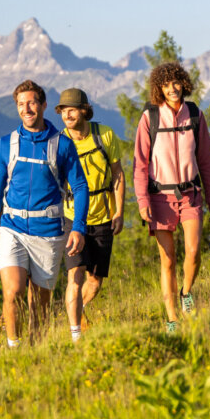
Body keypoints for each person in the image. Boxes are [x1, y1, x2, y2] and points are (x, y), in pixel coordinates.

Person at [0, 80, 88, 347]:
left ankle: (35, 352)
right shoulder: (6, 144)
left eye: (31, 103)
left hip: (49, 232)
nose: (26, 109)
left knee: (39, 303)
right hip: (12, 228)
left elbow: (80, 186)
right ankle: (14, 351)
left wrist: (78, 227)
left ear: (43, 105)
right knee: (13, 291)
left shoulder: (61, 145)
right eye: (20, 104)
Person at [133, 62, 210, 333]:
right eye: (166, 84)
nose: (172, 88)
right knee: (168, 259)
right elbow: (140, 164)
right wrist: (142, 201)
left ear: (184, 84)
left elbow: (206, 160)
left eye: (176, 83)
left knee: (193, 252)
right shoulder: (150, 117)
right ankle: (171, 319)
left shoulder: (195, 115)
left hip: (191, 194)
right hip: (159, 197)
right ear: (159, 87)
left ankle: (186, 292)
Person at [54, 88, 124, 335]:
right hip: (71, 218)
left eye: (72, 109)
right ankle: (75, 333)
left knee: (94, 283)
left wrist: (119, 212)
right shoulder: (59, 141)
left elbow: (117, 174)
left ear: (84, 110)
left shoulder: (104, 135)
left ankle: (76, 311)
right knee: (75, 276)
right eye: (63, 110)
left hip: (103, 215)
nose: (67, 115)